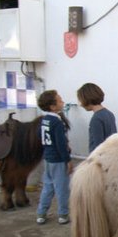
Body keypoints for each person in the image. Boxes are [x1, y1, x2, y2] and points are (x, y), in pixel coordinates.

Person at [36, 90, 73, 225]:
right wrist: (67, 160)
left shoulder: (44, 120)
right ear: (53, 106)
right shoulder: (57, 122)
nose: (63, 102)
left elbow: (39, 136)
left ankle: (41, 213)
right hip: (58, 160)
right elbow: (61, 144)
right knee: (62, 188)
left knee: (48, 186)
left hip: (48, 158)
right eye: (60, 100)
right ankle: (63, 214)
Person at [76, 82, 117, 152]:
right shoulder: (109, 113)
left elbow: (98, 146)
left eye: (80, 100)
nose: (80, 104)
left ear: (86, 99)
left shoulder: (96, 119)